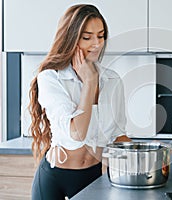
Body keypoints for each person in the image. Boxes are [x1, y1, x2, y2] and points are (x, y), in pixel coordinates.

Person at [29, 4, 131, 200]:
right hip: (54, 178)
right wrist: (90, 82)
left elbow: (118, 135)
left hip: (91, 176)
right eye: (87, 37)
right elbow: (77, 133)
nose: (97, 43)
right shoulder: (51, 78)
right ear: (71, 39)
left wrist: (149, 156)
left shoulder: (112, 80)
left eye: (101, 36)